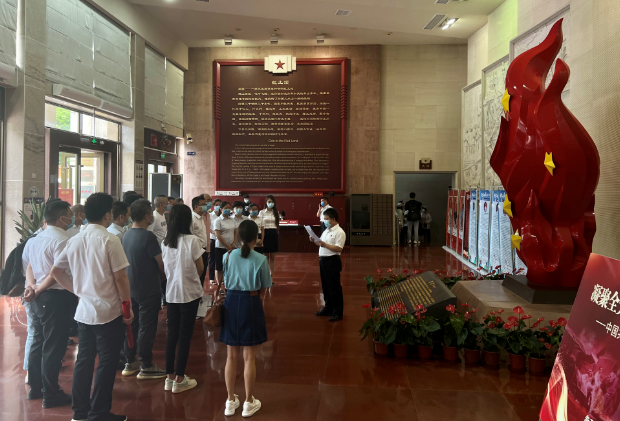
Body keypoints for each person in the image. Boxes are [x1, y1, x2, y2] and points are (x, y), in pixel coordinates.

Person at [49, 193, 133, 421]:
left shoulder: (75, 239)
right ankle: (99, 412)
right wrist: (127, 307)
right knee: (106, 363)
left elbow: (56, 271)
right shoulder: (109, 240)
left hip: (84, 312)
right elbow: (121, 277)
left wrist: (78, 290)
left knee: (84, 362)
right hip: (108, 312)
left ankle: (79, 413)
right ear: (107, 215)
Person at [22, 200, 77, 408]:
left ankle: (35, 388)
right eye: (69, 214)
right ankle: (51, 393)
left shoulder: (36, 238)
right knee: (54, 346)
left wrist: (32, 287)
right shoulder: (63, 240)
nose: (71, 218)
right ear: (62, 218)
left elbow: (29, 266)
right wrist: (38, 288)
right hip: (55, 297)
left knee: (38, 341)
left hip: (38, 296)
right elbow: (57, 273)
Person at [220, 220, 272, 417]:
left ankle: (230, 400)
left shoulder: (227, 256)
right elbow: (265, 286)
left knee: (231, 356)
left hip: (230, 303)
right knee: (249, 356)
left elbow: (225, 279)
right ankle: (249, 402)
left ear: (239, 236)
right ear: (256, 237)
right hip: (251, 302)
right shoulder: (261, 259)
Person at [120, 199, 167, 380]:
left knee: (133, 326)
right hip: (148, 288)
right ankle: (146, 365)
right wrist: (163, 276)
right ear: (147, 216)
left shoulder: (126, 234)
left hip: (131, 287)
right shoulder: (148, 237)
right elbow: (160, 262)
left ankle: (130, 361)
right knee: (147, 327)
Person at [161, 204, 204, 394]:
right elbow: (200, 267)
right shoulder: (192, 240)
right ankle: (180, 378)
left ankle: (169, 377)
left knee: (172, 334)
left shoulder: (166, 241)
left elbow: (165, 268)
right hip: (189, 293)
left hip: (172, 293)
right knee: (185, 335)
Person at [311, 208, 346, 322]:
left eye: (326, 219)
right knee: (325, 286)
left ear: (333, 219)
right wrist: (314, 240)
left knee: (334, 286)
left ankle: (338, 311)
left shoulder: (339, 232)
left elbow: (338, 248)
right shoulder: (326, 230)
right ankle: (328, 308)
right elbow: (321, 243)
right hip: (323, 260)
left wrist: (324, 245)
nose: (324, 221)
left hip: (332, 260)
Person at [214, 202, 237, 285]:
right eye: (225, 208)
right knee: (219, 267)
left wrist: (234, 243)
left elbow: (235, 232)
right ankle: (219, 286)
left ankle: (228, 284)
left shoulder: (232, 219)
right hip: (221, 247)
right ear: (221, 209)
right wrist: (227, 246)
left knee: (230, 267)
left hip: (232, 247)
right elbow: (218, 235)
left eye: (229, 208)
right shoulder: (218, 220)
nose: (228, 209)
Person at [190, 195, 209, 285]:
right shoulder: (192, 219)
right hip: (196, 250)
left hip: (203, 249)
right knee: (197, 274)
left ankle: (200, 291)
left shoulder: (201, 218)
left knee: (203, 274)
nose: (206, 206)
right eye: (203, 204)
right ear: (196, 207)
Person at [259, 195, 279, 275]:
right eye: (269, 202)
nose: (271, 203)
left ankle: (271, 274)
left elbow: (277, 224)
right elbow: (260, 224)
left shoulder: (276, 212)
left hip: (274, 233)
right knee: (266, 256)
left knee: (273, 257)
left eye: (272, 202)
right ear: (266, 202)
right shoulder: (262, 212)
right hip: (265, 233)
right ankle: (266, 273)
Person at [208, 199, 222, 285]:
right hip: (213, 238)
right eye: (216, 204)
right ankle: (211, 278)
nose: (218, 206)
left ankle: (220, 278)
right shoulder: (210, 215)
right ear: (213, 205)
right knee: (212, 259)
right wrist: (214, 232)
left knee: (219, 259)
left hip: (221, 239)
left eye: (219, 204)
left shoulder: (222, 215)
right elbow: (208, 227)